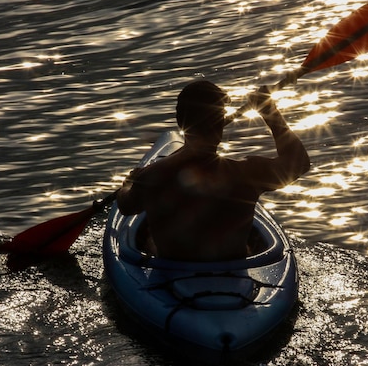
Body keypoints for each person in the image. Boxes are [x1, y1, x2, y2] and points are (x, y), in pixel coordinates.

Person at [116, 80, 310, 262]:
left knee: (149, 239)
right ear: (220, 126)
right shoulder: (248, 173)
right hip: (234, 272)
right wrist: (270, 112)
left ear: (180, 123)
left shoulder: (152, 176)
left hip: (173, 270)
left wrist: (129, 183)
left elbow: (125, 206)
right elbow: (299, 163)